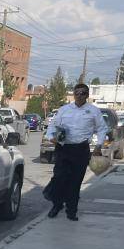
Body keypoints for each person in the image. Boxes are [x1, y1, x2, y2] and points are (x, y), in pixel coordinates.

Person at [44, 83, 108, 221]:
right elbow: (52, 126)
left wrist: (98, 146)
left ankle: (71, 211)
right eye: (77, 93)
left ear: (87, 95)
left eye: (83, 93)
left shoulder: (93, 111)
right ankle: (57, 205)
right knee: (59, 178)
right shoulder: (64, 110)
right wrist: (51, 138)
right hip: (63, 148)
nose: (79, 95)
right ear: (73, 94)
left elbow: (102, 129)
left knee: (75, 182)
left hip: (81, 150)